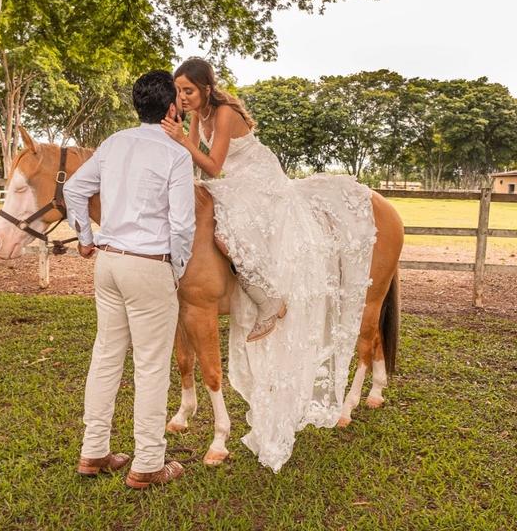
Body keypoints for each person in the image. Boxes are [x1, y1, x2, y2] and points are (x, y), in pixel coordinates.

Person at [161, 57, 377, 472]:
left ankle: (268, 297)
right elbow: (193, 163)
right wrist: (178, 136)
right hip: (230, 184)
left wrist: (183, 140)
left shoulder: (222, 113)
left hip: (259, 183)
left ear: (206, 88)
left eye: (188, 90)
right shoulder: (196, 116)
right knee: (209, 220)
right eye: (179, 91)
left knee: (227, 231)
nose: (183, 97)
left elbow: (214, 164)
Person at [64, 70, 195, 489]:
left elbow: (74, 190)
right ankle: (149, 463)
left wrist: (85, 237)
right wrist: (175, 268)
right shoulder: (176, 154)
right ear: (171, 106)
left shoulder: (113, 143)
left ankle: (94, 451)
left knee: (106, 355)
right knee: (151, 365)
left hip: (109, 262)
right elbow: (182, 224)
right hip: (149, 264)